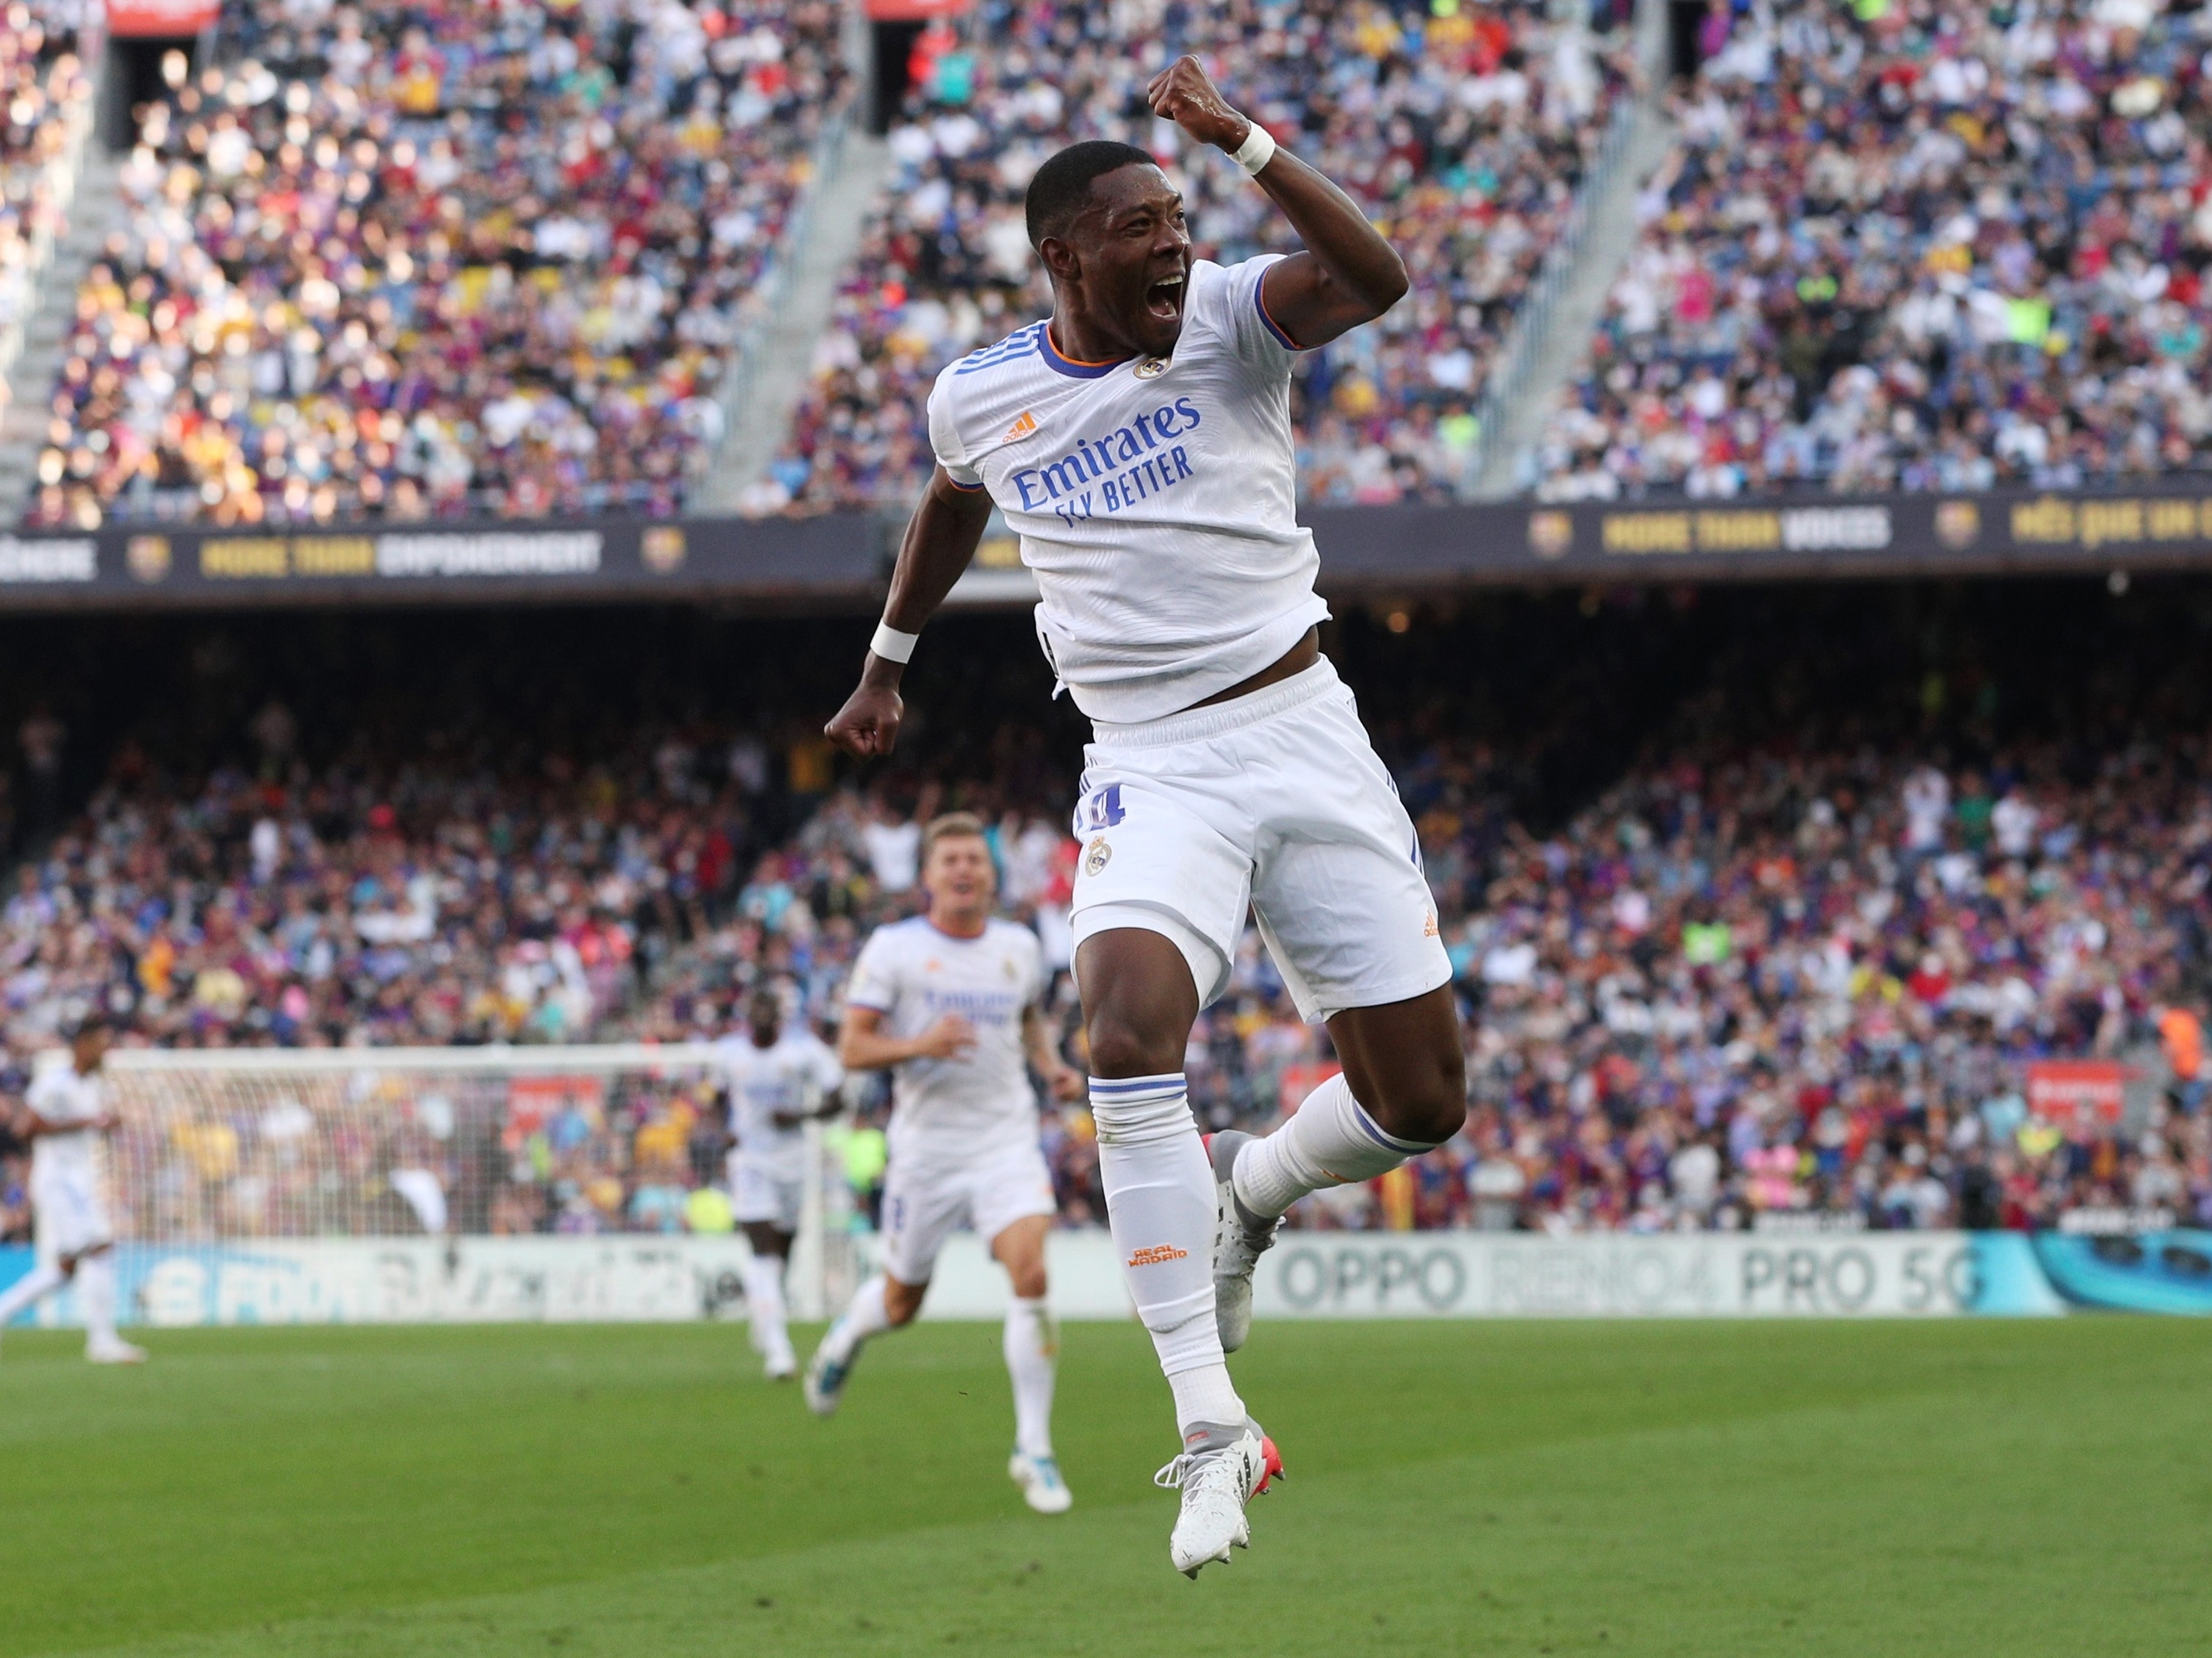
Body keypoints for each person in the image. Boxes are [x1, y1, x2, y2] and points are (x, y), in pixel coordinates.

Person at [823, 58, 1465, 1576]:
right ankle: (1209, 1423)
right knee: (1119, 1027)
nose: (1175, 241)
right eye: (1138, 226)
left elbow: (1375, 272)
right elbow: (956, 498)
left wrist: (1241, 139)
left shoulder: (1239, 320)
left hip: (1302, 725)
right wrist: (887, 662)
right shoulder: (982, 391)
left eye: (1181, 217)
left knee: (1422, 1103)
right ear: (1065, 255)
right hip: (1148, 758)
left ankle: (1253, 1186)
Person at [803, 814, 1087, 1517]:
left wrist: (1049, 1067)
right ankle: (847, 1334)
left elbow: (1026, 1019)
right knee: (902, 1302)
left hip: (1003, 1142)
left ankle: (1033, 1447)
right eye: (950, 860)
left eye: (975, 860)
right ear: (927, 876)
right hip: (926, 1153)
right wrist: (921, 1045)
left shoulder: (1019, 947)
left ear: (991, 875)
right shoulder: (894, 950)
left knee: (1032, 1271)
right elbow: (852, 1048)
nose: (964, 870)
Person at [0, 1016, 147, 1363]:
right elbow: (24, 1129)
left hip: (79, 1178)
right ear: (82, 1044)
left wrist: (108, 1124)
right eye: (100, 1042)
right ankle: (102, 1342)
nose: (105, 1050)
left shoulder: (94, 1086)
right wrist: (84, 1123)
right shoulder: (56, 1085)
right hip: (58, 1178)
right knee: (99, 1247)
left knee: (64, 1270)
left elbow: (94, 1124)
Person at [717, 983, 845, 1380]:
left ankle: (764, 1313)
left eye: (768, 1017)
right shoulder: (728, 1054)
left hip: (792, 1162)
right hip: (751, 1162)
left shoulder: (802, 1052)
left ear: (778, 1020)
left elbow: (839, 1098)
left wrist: (801, 1116)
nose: (760, 1024)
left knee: (782, 1249)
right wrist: (727, 1130)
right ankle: (779, 1351)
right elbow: (718, 1098)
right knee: (762, 1249)